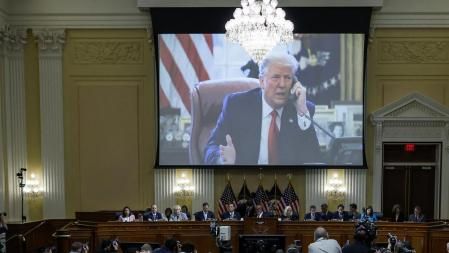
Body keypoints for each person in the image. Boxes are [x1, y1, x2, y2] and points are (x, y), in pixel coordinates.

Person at [204, 52, 320, 165]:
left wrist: (302, 111)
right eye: (276, 77)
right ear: (262, 81)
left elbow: (314, 159)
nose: (282, 84)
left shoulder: (302, 109)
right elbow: (211, 147)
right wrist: (222, 160)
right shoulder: (237, 106)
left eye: (287, 78)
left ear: (294, 83)